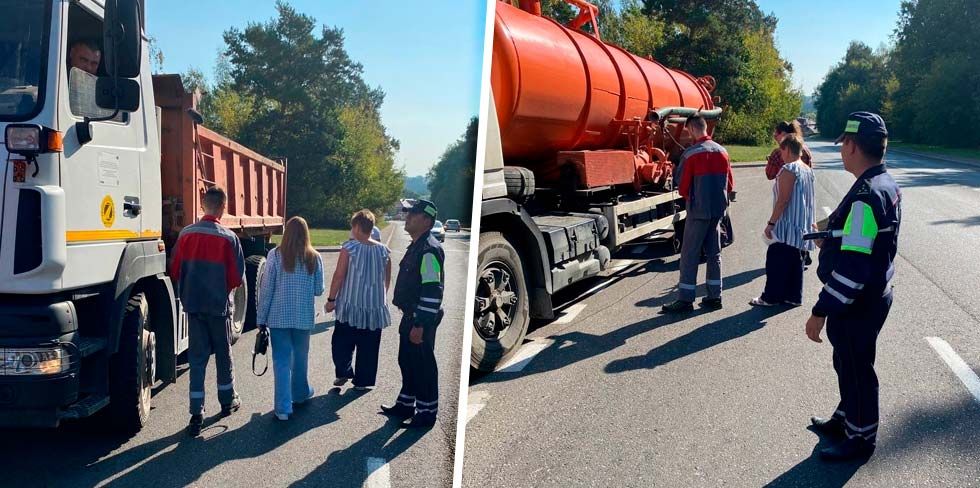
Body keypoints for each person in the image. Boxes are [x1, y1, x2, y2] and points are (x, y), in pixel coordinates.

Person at [806, 112, 901, 461]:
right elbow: (866, 238)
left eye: (843, 144)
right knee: (847, 363)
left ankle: (860, 439)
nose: (842, 151)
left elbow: (854, 268)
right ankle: (846, 420)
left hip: (856, 302)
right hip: (873, 296)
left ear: (851, 145)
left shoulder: (866, 196)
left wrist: (820, 311)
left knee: (857, 369)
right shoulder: (882, 182)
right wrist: (830, 234)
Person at [169, 186, 244, 437]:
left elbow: (175, 268)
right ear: (223, 207)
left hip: (193, 305)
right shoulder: (228, 237)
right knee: (223, 355)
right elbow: (236, 277)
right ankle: (227, 401)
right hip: (218, 307)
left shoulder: (186, 234)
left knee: (197, 359)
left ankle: (196, 413)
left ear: (203, 205)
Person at [380, 199, 445, 428]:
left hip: (420, 318)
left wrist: (420, 324)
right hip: (411, 316)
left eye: (413, 214)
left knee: (423, 366)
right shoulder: (417, 245)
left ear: (426, 220)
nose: (407, 217)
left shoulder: (428, 250)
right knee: (407, 361)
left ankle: (426, 413)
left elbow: (432, 290)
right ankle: (406, 404)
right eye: (408, 213)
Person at [662, 115, 735, 313]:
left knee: (689, 254)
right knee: (714, 254)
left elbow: (683, 188)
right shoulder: (723, 152)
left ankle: (685, 300)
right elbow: (730, 185)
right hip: (717, 210)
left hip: (698, 211)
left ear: (693, 130)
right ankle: (714, 296)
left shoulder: (691, 155)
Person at [257, 216, 324, 421]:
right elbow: (318, 290)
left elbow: (266, 289)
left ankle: (283, 407)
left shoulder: (275, 255)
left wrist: (261, 318)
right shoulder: (314, 257)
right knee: (301, 358)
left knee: (281, 361)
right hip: (303, 317)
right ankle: (301, 393)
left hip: (279, 317)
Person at [326, 210, 392, 391]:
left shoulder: (349, 248)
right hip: (374, 307)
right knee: (369, 346)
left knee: (341, 341)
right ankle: (363, 380)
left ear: (356, 227)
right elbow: (386, 279)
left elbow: (339, 276)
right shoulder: (384, 250)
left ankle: (344, 371)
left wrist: (331, 299)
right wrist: (380, 298)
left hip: (350, 304)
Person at [750, 134, 815, 307]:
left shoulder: (789, 169)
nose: (781, 155)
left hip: (786, 224)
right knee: (795, 260)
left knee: (775, 260)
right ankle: (793, 297)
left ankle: (770, 297)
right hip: (801, 223)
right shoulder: (807, 169)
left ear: (786, 149)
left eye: (781, 150)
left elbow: (783, 200)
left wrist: (771, 223)